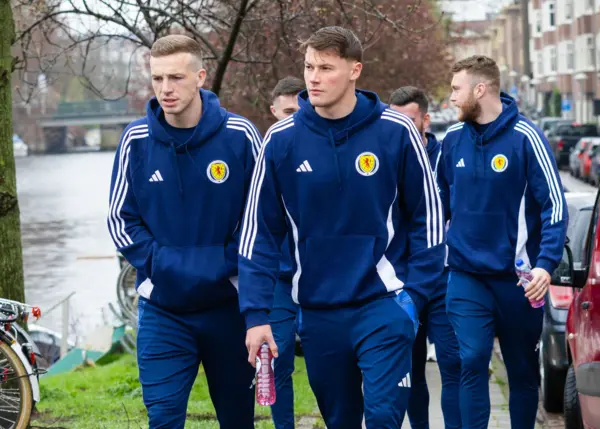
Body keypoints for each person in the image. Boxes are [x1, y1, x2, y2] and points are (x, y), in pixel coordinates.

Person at [238, 26, 445, 429]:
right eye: (309, 67)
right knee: (340, 420)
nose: (313, 78)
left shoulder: (395, 131)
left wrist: (414, 297)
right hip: (318, 312)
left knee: (384, 417)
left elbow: (429, 220)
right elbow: (259, 234)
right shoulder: (280, 141)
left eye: (326, 68)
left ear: (355, 70)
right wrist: (255, 315)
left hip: (384, 304)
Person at [106, 35, 260, 429]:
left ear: (201, 77)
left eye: (176, 77)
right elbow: (121, 220)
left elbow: (261, 218)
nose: (165, 88)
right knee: (163, 418)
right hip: (164, 308)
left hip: (228, 305)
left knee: (238, 420)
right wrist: (161, 264)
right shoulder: (135, 141)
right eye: (158, 78)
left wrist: (221, 265)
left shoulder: (240, 135)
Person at [437, 55, 568, 429]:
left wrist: (545, 264)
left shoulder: (526, 137)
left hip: (518, 280)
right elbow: (434, 207)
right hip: (465, 276)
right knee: (472, 359)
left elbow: (554, 204)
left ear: (480, 90)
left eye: (456, 89)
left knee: (523, 373)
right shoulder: (453, 141)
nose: (451, 98)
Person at [390, 86, 461, 429]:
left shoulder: (445, 157)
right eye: (396, 119)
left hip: (444, 280)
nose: (402, 127)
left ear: (426, 120)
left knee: (453, 364)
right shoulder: (386, 157)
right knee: (410, 370)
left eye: (410, 120)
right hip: (403, 282)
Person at [268, 76, 305, 429]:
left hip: (317, 276)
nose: (294, 118)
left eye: (300, 111)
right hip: (278, 278)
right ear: (274, 111)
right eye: (288, 111)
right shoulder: (266, 153)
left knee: (336, 362)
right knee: (277, 360)